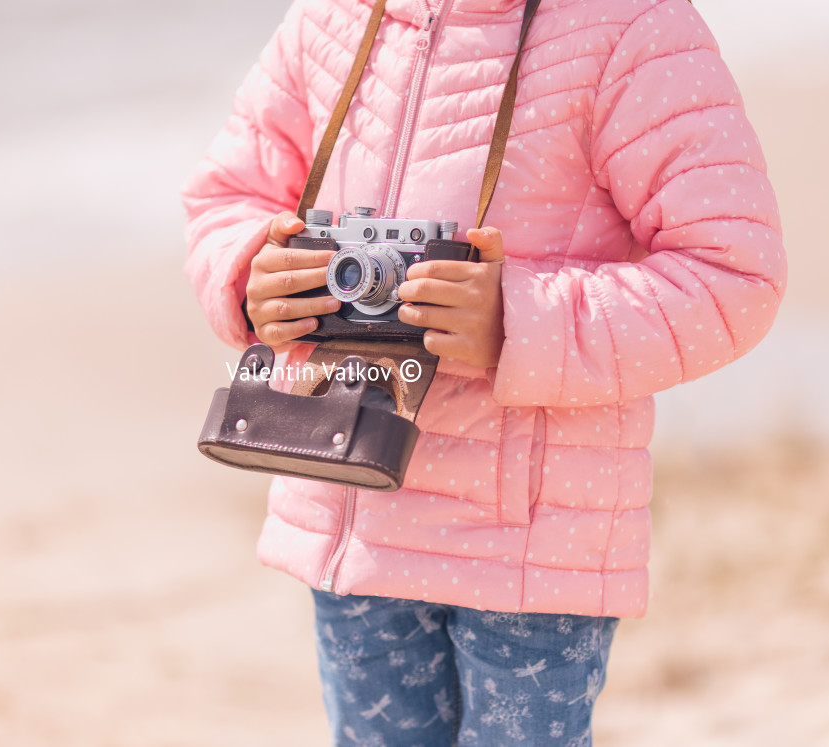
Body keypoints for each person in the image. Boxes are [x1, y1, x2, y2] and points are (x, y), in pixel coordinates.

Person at [182, 0, 786, 743]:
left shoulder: (634, 26)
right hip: (355, 505)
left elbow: (734, 273)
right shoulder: (334, 16)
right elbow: (226, 195)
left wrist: (515, 322)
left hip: (530, 543)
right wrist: (251, 273)